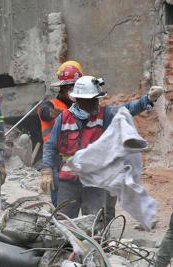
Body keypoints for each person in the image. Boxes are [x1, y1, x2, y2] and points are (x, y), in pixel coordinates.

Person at [41, 76, 164, 220]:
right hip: (68, 181)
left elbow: (127, 109)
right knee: (63, 222)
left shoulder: (105, 114)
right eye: (91, 100)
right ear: (78, 100)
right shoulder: (63, 118)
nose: (95, 103)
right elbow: (51, 145)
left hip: (95, 180)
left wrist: (148, 99)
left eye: (96, 99)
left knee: (95, 224)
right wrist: (47, 170)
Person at [38, 60, 82, 206]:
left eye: (74, 86)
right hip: (56, 160)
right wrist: (52, 113)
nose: (71, 90)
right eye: (69, 87)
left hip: (79, 160)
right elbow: (44, 112)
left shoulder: (82, 106)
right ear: (62, 88)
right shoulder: (52, 105)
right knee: (61, 202)